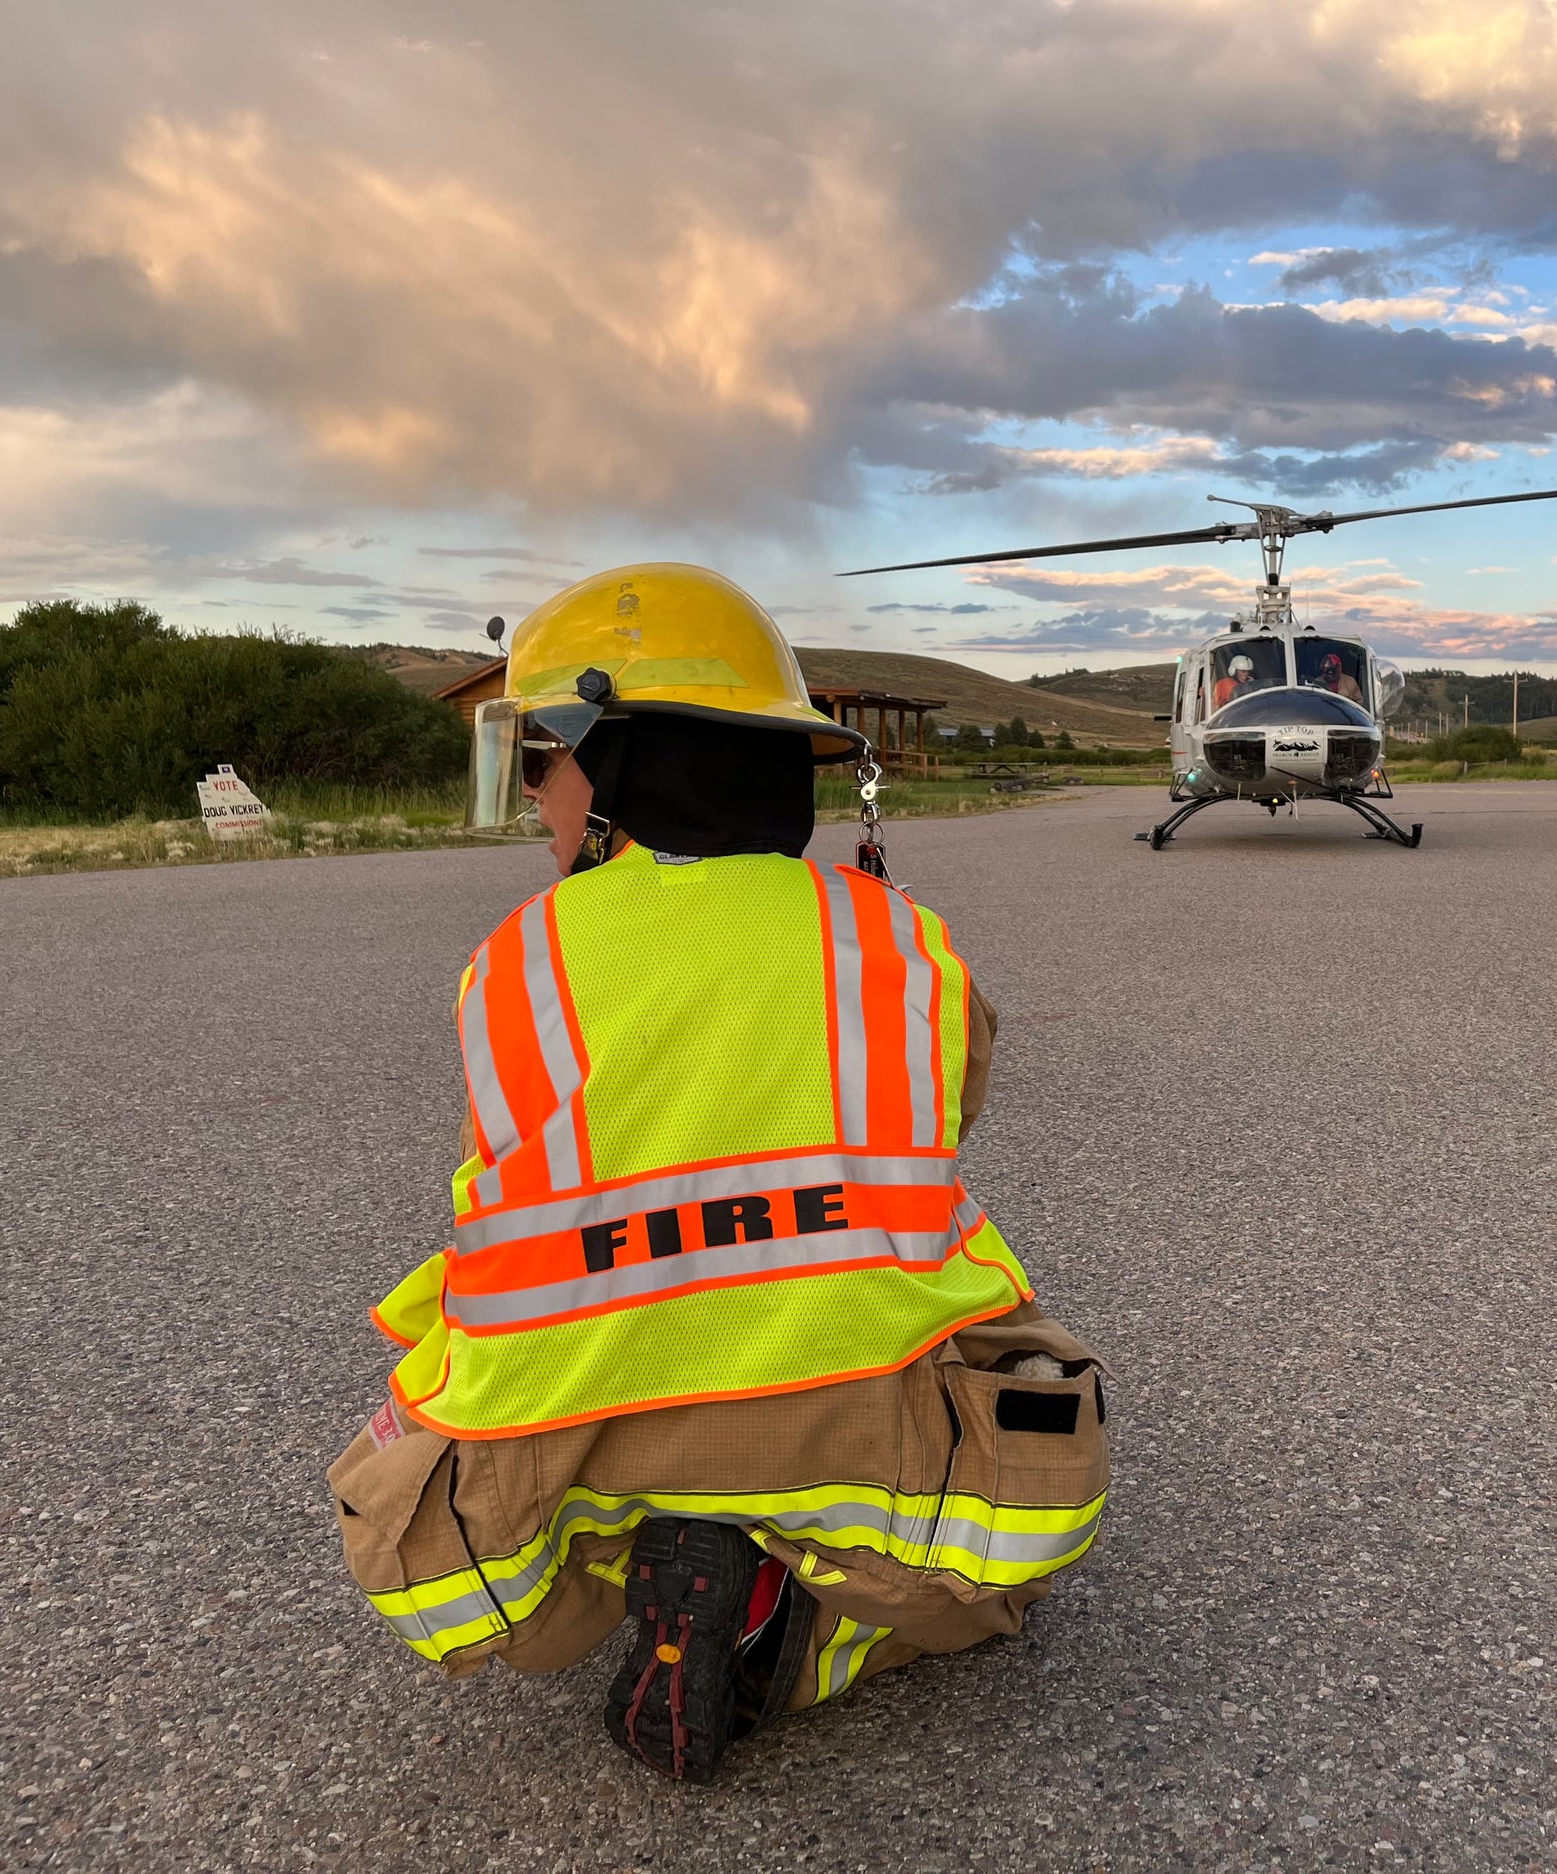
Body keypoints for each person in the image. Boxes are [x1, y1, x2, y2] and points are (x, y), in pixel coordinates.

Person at [327, 564, 1109, 1784]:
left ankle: (649, 1586)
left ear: (615, 762)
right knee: (1008, 1554)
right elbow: (946, 1116)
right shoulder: (896, 935)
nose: (533, 790)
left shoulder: (514, 962)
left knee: (461, 1541)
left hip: (564, 1472)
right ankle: (795, 1635)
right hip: (867, 1440)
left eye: (543, 757)